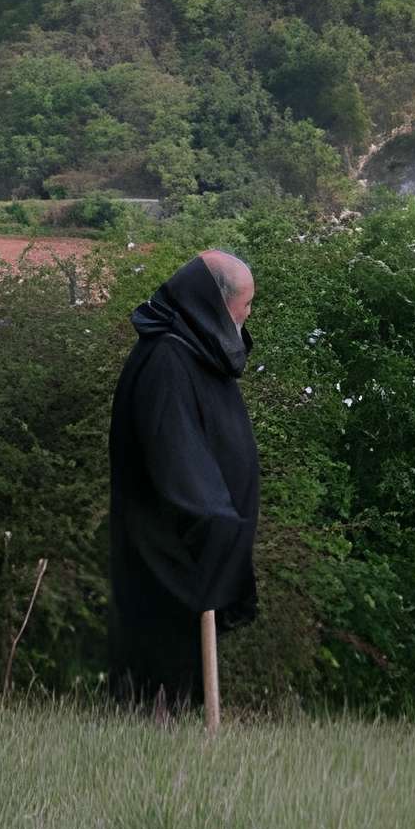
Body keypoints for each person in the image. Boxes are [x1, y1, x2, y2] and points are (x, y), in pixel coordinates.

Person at [108, 250, 261, 711]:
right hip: (169, 552)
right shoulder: (166, 362)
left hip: (191, 551)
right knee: (159, 682)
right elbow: (175, 455)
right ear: (217, 304)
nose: (248, 315)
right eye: (245, 305)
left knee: (180, 683)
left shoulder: (194, 350)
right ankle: (151, 745)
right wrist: (214, 521)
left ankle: (172, 745)